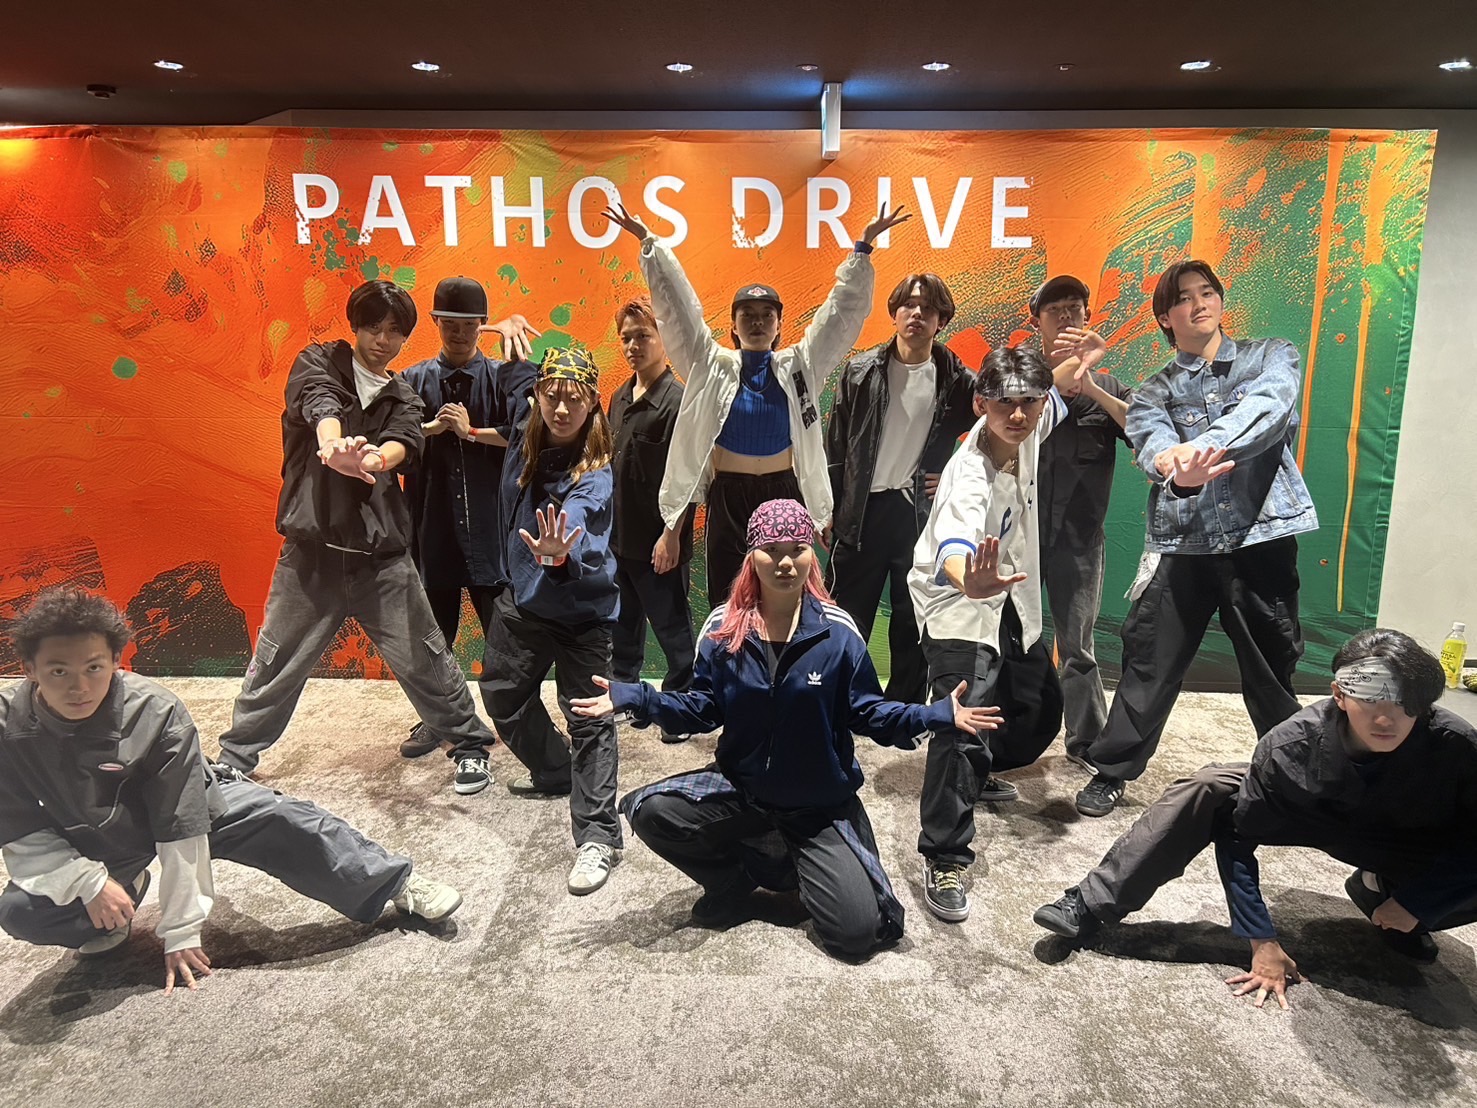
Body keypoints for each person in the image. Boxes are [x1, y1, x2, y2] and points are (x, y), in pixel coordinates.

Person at [570, 499, 1001, 960]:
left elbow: (870, 713)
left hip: (818, 805)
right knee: (652, 812)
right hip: (743, 790)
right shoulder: (723, 630)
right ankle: (734, 883)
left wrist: (934, 715)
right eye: (771, 549)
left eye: (797, 548)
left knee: (858, 934)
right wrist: (637, 697)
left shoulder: (838, 634)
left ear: (812, 554)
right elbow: (701, 708)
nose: (785, 561)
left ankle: (799, 864)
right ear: (752, 556)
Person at [0, 588, 462, 995]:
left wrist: (181, 931)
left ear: (116, 661)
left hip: (191, 801)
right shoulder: (6, 723)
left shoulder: (156, 711)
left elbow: (180, 825)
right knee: (22, 910)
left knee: (286, 820)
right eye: (58, 671)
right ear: (30, 669)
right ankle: (121, 896)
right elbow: (17, 827)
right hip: (93, 832)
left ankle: (395, 882)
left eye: (94, 667)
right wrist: (89, 882)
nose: (79, 687)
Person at [1034, 629, 1477, 1009]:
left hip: (1401, 833)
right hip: (1309, 814)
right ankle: (1089, 903)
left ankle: (1382, 890)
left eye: (1405, 704)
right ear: (1340, 695)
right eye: (1371, 699)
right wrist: (1260, 938)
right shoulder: (1289, 746)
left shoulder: (1456, 744)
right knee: (1206, 788)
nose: (1386, 718)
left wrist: (1420, 902)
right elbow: (1237, 835)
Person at [215, 280, 501, 796]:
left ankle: (469, 745)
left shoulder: (403, 393)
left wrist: (373, 460)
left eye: (394, 332)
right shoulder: (319, 363)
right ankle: (235, 757)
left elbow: (404, 440)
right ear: (355, 325)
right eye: (373, 328)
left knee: (426, 657)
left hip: (382, 560)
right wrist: (331, 445)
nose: (382, 341)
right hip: (311, 557)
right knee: (276, 658)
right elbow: (319, 404)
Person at [1074, 259, 1319, 818]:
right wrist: (1174, 466)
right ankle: (1112, 770)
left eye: (1207, 292)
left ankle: (1292, 779)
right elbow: (1151, 444)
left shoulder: (1271, 355)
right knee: (1149, 660)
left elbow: (1268, 409)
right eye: (1184, 298)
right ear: (1166, 316)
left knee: (1272, 665)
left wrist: (1200, 447)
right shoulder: (1154, 390)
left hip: (1260, 537)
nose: (1199, 303)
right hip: (1183, 542)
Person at [602, 199, 911, 605]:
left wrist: (863, 249)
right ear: (733, 325)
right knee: (728, 599)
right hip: (728, 496)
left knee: (782, 598)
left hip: (783, 491)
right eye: (747, 314)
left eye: (767, 314)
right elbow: (678, 308)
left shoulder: (800, 365)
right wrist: (650, 245)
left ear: (779, 325)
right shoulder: (710, 364)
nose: (758, 321)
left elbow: (838, 315)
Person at [908, 346, 1072, 923]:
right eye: (1005, 403)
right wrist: (967, 579)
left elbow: (1056, 389)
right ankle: (944, 854)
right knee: (963, 720)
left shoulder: (1030, 426)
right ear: (981, 404)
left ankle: (976, 775)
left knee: (1039, 705)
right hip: (958, 600)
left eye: (1029, 401)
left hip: (1008, 593)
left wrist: (1076, 361)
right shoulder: (969, 470)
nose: (1018, 414)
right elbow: (955, 535)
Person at [477, 347, 624, 896]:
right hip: (523, 602)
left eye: (575, 399)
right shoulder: (525, 430)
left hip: (583, 610)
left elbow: (578, 518)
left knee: (589, 718)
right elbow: (518, 378)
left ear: (593, 404)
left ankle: (598, 836)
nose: (562, 409)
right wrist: (512, 332)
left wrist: (559, 553)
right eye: (552, 396)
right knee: (501, 695)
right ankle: (556, 769)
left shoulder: (595, 475)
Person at [398, 276, 539, 759]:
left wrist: (471, 432)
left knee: (506, 639)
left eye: (469, 324)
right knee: (432, 638)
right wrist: (431, 429)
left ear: (483, 324)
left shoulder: (503, 377)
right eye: (449, 324)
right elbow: (390, 439)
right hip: (432, 527)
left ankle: (521, 721)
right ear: (436, 322)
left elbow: (529, 434)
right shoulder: (412, 380)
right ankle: (436, 718)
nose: (459, 333)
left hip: (491, 530)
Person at [823, 272, 977, 703]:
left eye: (928, 308)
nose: (917, 314)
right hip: (861, 513)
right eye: (908, 305)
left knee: (912, 620)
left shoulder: (957, 380)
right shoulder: (860, 371)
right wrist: (826, 509)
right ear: (893, 313)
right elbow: (835, 446)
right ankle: (841, 704)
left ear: (941, 320)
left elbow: (995, 433)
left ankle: (904, 710)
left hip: (918, 515)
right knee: (846, 617)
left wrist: (954, 476)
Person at [1028, 275, 1132, 771]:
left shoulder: (1108, 386)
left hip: (1080, 539)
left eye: (1075, 307)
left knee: (1078, 647)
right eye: (1055, 310)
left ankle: (1086, 741)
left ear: (1088, 317)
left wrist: (1091, 384)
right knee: (1010, 640)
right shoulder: (1023, 378)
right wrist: (1071, 369)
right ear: (1038, 322)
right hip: (1020, 537)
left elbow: (1144, 430)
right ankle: (1008, 738)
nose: (1066, 316)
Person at [607, 295, 698, 743]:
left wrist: (671, 536)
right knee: (623, 629)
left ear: (664, 338)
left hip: (659, 542)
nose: (633, 346)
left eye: (642, 336)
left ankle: (679, 707)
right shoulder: (619, 397)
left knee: (673, 631)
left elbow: (688, 477)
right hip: (618, 540)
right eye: (626, 338)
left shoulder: (678, 402)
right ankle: (628, 698)